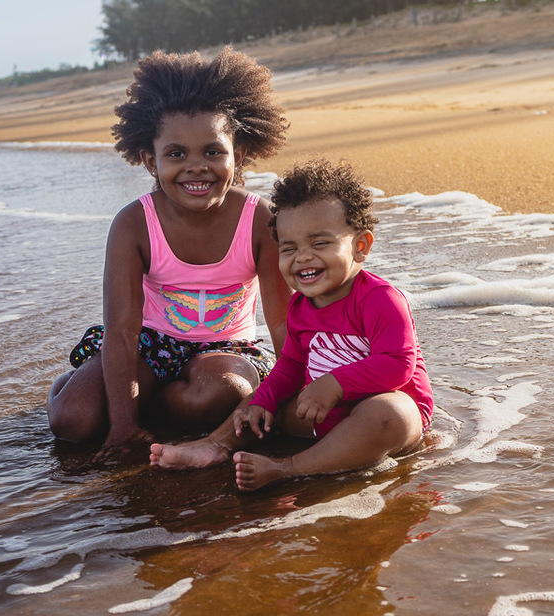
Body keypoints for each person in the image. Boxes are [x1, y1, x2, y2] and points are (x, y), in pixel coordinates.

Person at [47, 47, 291, 458]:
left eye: (213, 151)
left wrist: (296, 393)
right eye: (176, 154)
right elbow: (122, 331)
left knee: (214, 399)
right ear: (149, 161)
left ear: (240, 154)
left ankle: (153, 398)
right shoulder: (134, 223)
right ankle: (81, 388)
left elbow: (283, 323)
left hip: (226, 349)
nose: (196, 166)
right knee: (75, 420)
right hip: (147, 343)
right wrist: (122, 426)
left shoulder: (258, 218)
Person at [150, 158, 435, 490]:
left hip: (380, 416)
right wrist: (264, 402)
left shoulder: (380, 299)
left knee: (391, 414)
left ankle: (289, 468)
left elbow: (398, 364)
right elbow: (292, 364)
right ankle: (214, 446)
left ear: (360, 246)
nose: (303, 257)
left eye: (320, 243)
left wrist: (335, 384)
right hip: (322, 413)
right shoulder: (300, 306)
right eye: (289, 248)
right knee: (258, 405)